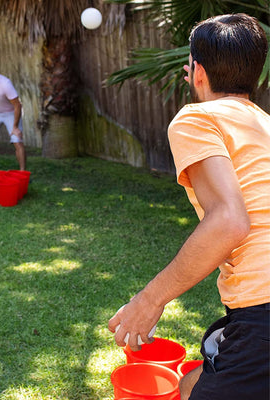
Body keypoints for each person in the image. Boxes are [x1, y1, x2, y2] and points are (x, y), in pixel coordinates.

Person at [108, 13, 269, 400]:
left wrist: (147, 301)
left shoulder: (196, 119)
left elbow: (229, 221)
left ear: (196, 71)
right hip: (255, 313)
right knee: (193, 380)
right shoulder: (264, 123)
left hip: (262, 308)